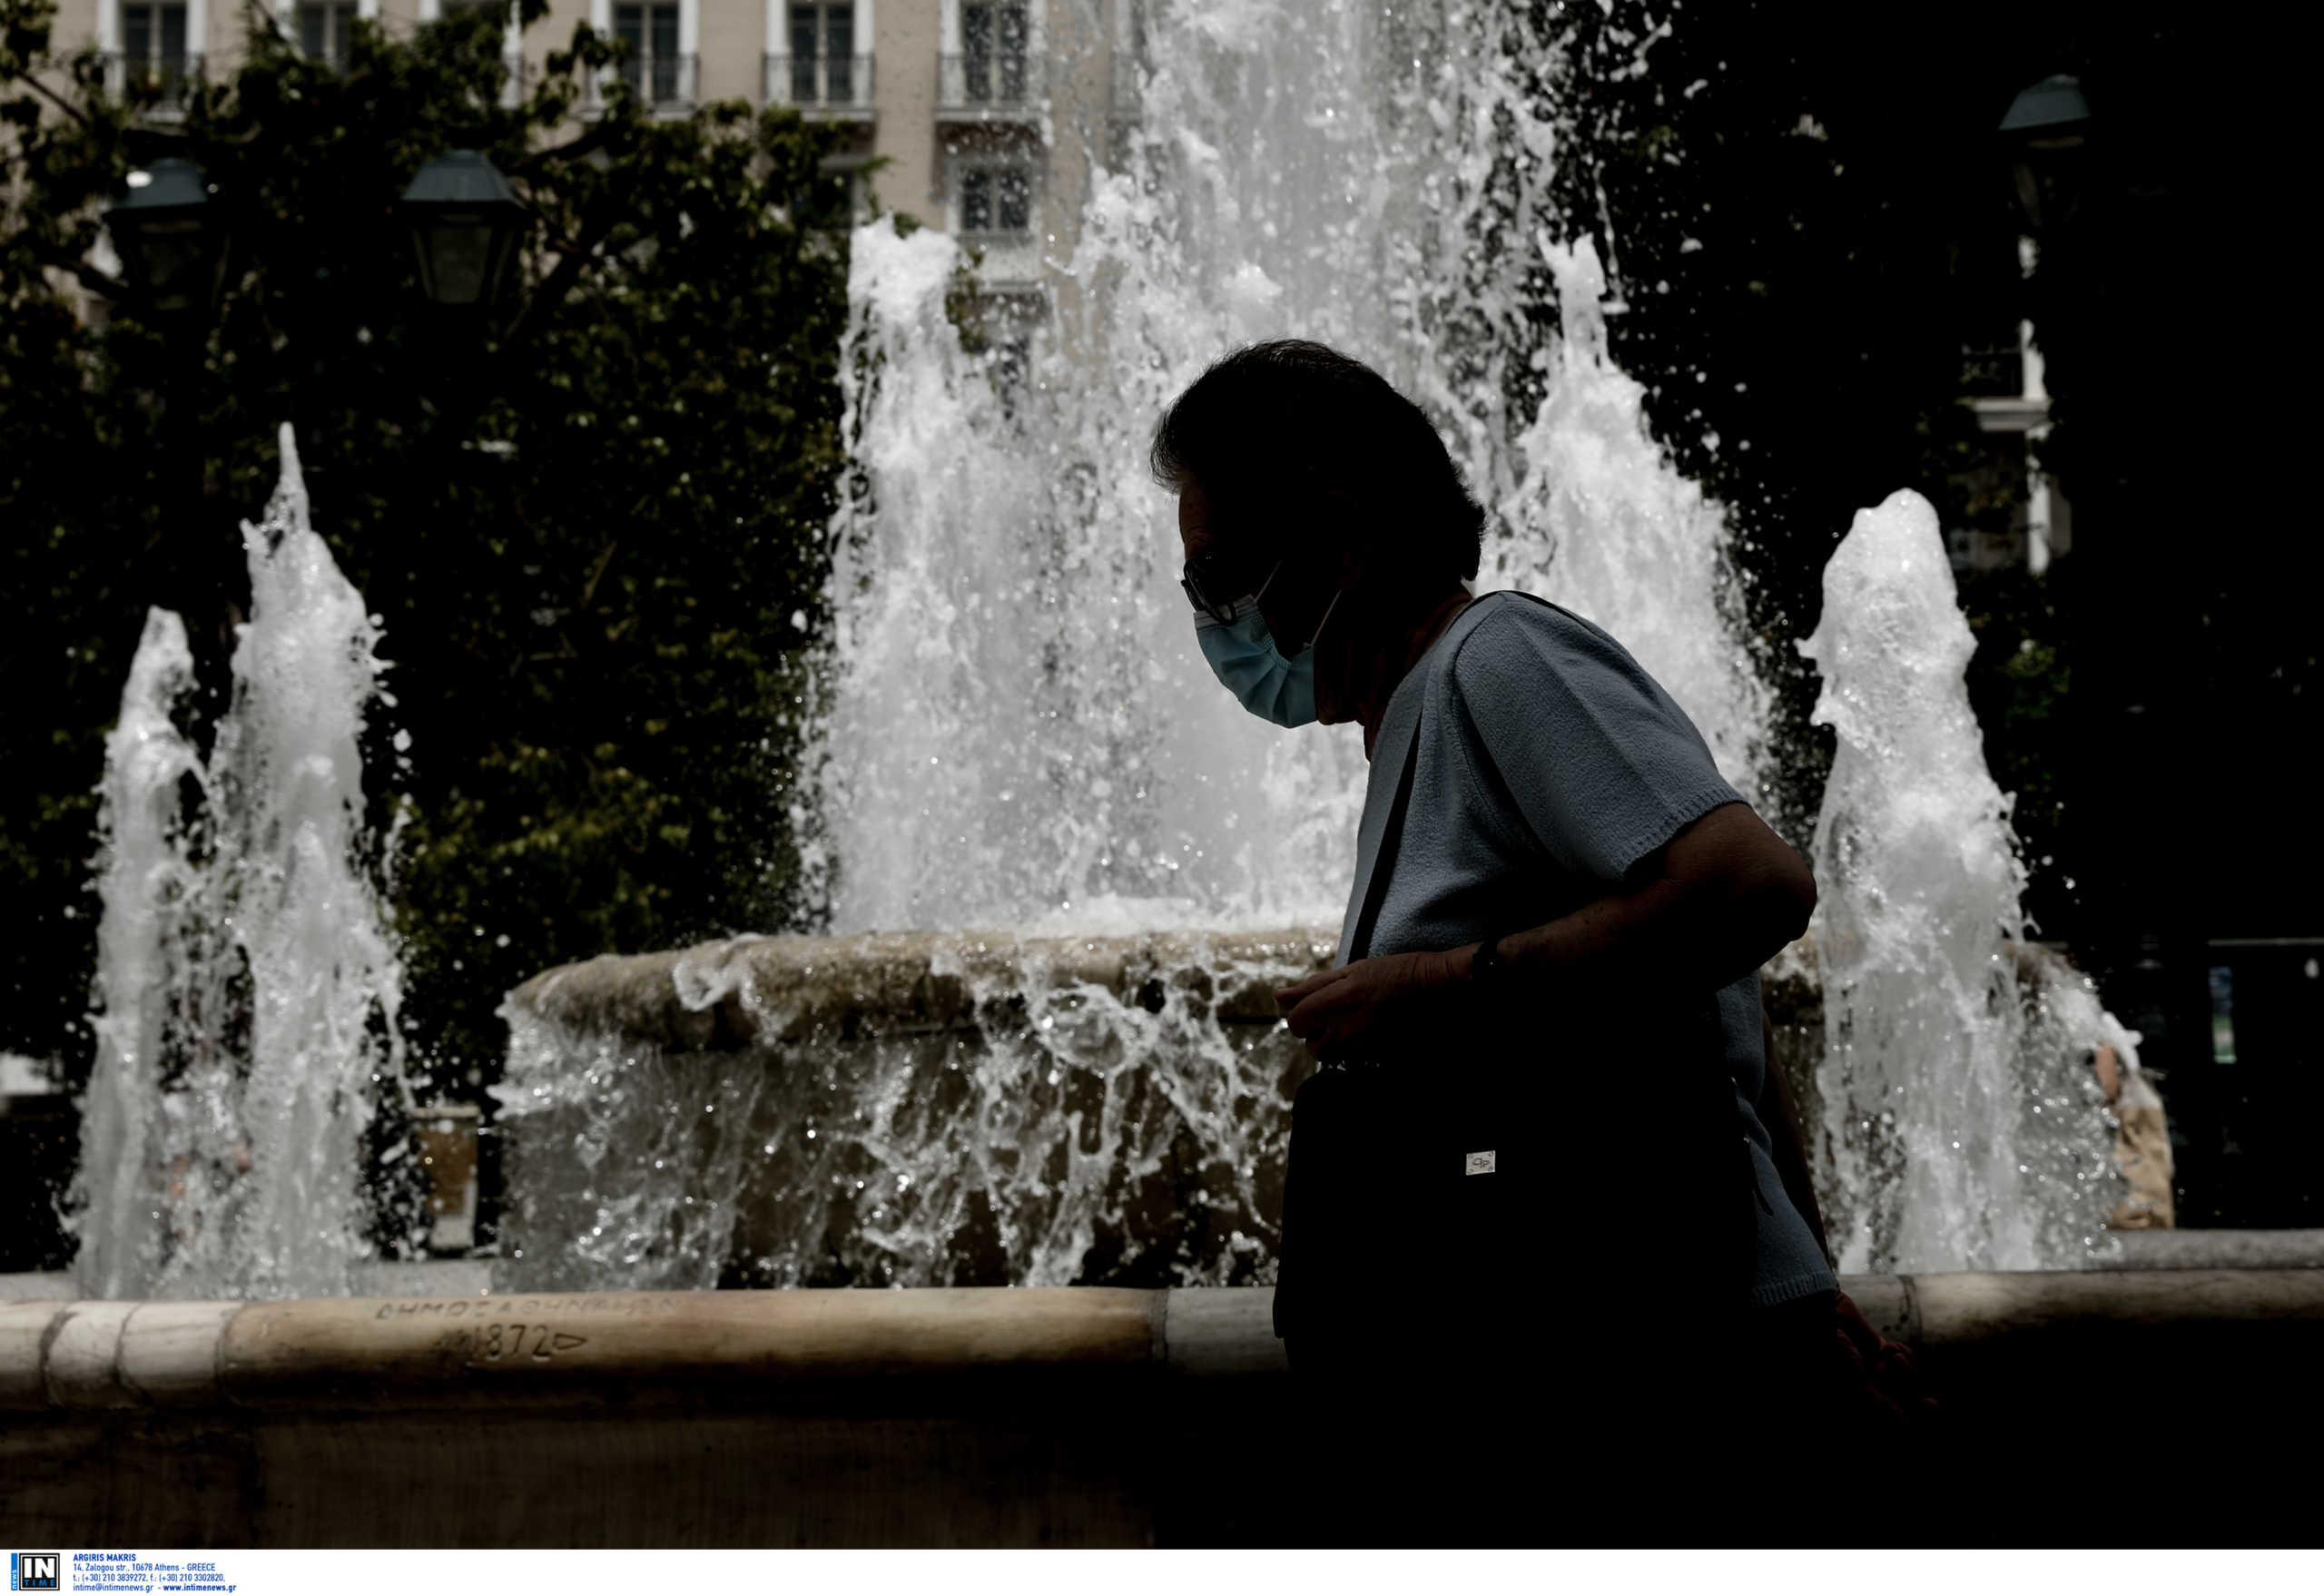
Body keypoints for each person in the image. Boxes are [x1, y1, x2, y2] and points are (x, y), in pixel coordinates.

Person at [1153, 340, 1902, 1545]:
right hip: (1576, 1361)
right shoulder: (1423, 715)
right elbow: (1723, 1009)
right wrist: (1801, 1271)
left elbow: (1748, 888)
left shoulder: (1499, 658)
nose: (1213, 616)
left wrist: (1433, 987)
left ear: (1341, 532)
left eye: (1220, 576)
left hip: (1629, 1380)